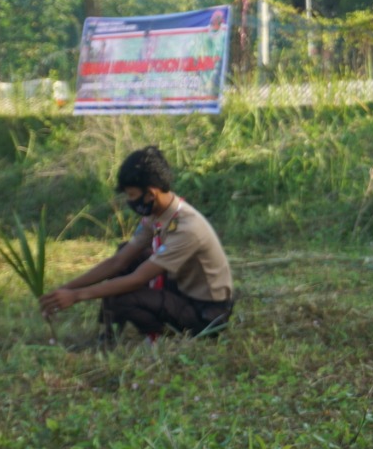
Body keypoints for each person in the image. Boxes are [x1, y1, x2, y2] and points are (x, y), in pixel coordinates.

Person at [39, 146, 235, 341]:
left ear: (151, 193)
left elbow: (137, 280)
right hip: (181, 288)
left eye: (132, 195)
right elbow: (119, 262)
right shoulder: (157, 215)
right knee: (126, 252)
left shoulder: (187, 228)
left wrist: (77, 296)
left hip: (205, 312)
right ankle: (108, 336)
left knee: (123, 297)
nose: (129, 201)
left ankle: (176, 336)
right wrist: (67, 288)